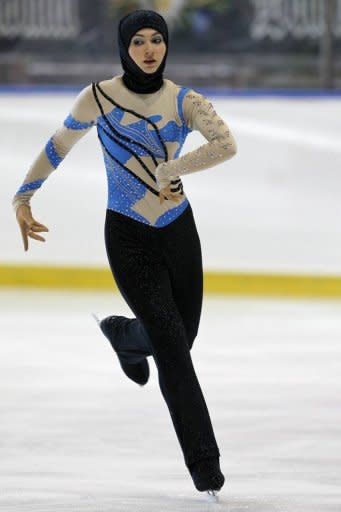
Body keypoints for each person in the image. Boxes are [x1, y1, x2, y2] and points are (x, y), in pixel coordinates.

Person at [13, 9, 237, 497]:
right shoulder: (98, 97)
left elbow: (226, 144)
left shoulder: (183, 100)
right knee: (174, 351)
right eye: (138, 41)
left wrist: (175, 166)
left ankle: (124, 336)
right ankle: (206, 464)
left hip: (179, 232)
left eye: (157, 39)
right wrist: (23, 197)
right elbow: (58, 146)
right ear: (123, 47)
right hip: (128, 236)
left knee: (181, 338)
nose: (149, 49)